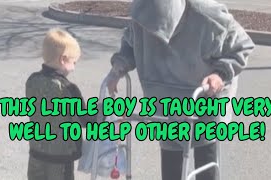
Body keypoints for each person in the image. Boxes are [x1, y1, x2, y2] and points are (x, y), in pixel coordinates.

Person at [106, 0, 255, 180]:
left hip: (205, 94)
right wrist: (118, 68)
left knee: (205, 156)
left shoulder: (207, 15)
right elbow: (131, 44)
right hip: (164, 99)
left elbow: (242, 45)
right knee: (171, 159)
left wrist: (219, 74)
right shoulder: (143, 13)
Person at [25, 28, 96, 180]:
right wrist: (105, 112)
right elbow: (85, 119)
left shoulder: (32, 81)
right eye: (74, 62)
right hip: (60, 158)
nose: (74, 67)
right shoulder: (68, 89)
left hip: (36, 154)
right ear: (63, 59)